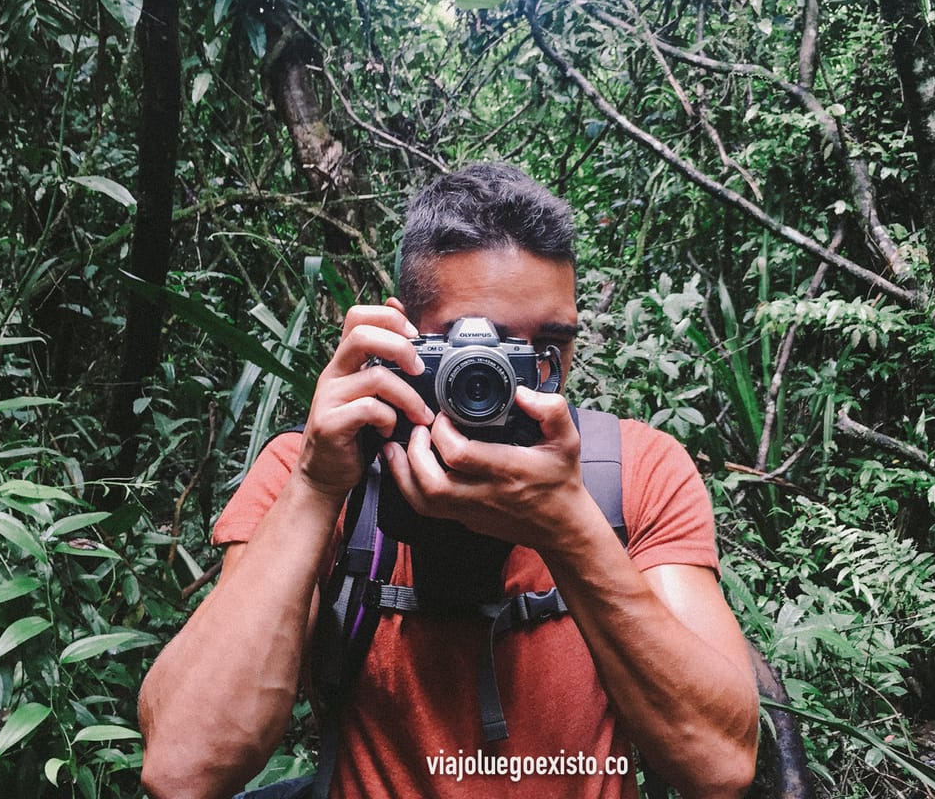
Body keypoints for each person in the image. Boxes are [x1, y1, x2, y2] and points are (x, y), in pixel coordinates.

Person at [139, 163, 759, 798]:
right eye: (479, 350)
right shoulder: (322, 471)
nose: (512, 383)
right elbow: (184, 771)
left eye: (545, 349)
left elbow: (719, 765)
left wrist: (571, 530)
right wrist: (317, 488)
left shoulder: (634, 471)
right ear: (404, 339)